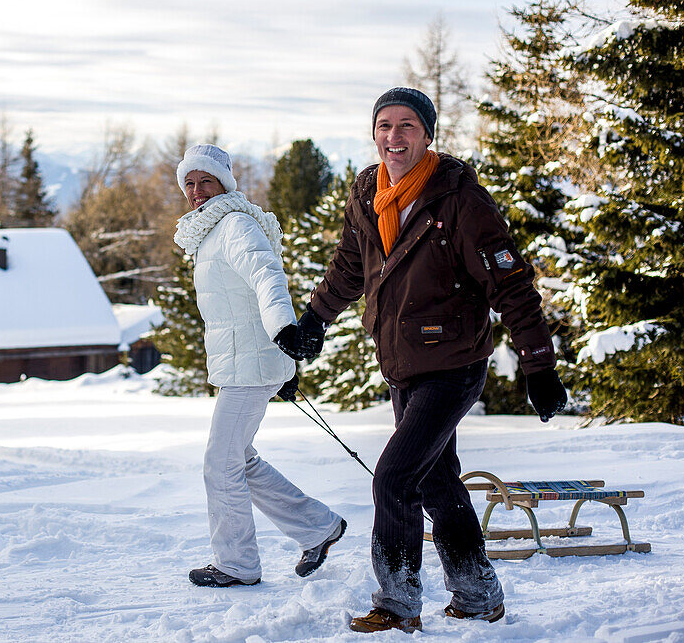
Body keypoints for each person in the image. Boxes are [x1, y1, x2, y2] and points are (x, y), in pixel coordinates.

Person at [286, 88, 568, 633]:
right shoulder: (369, 190)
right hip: (402, 363)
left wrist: (539, 365)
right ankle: (478, 594)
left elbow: (511, 284)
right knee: (437, 483)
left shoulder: (458, 199)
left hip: (454, 365)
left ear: (427, 134)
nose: (394, 137)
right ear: (373, 133)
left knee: (393, 477)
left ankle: (397, 602)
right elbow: (350, 265)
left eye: (407, 125)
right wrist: (315, 321)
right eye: (385, 125)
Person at [173, 143, 347, 588]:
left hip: (250, 363)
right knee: (239, 458)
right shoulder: (211, 230)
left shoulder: (234, 224)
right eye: (189, 183)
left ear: (224, 184)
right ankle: (317, 527)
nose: (196, 191)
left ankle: (237, 564)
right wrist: (280, 362)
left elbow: (265, 274)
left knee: (220, 462)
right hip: (244, 362)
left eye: (205, 181)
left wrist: (284, 333)